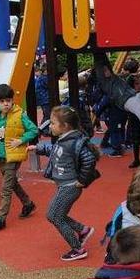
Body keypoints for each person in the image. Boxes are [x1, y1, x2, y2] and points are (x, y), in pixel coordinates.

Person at [31, 106, 100, 261]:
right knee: (56, 214)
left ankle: (78, 249)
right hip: (64, 185)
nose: (50, 126)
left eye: (53, 123)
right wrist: (38, 148)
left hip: (70, 187)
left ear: (65, 126)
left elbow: (89, 159)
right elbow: (55, 150)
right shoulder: (65, 139)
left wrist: (82, 181)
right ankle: (82, 230)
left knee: (54, 216)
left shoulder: (74, 141)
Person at [0, 84, 39, 233]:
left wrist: (21, 140)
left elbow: (34, 130)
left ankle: (1, 219)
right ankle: (28, 203)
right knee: (12, 183)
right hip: (0, 157)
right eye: (2, 101)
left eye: (8, 100)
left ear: (12, 101)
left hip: (13, 157)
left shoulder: (19, 114)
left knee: (6, 189)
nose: (6, 104)